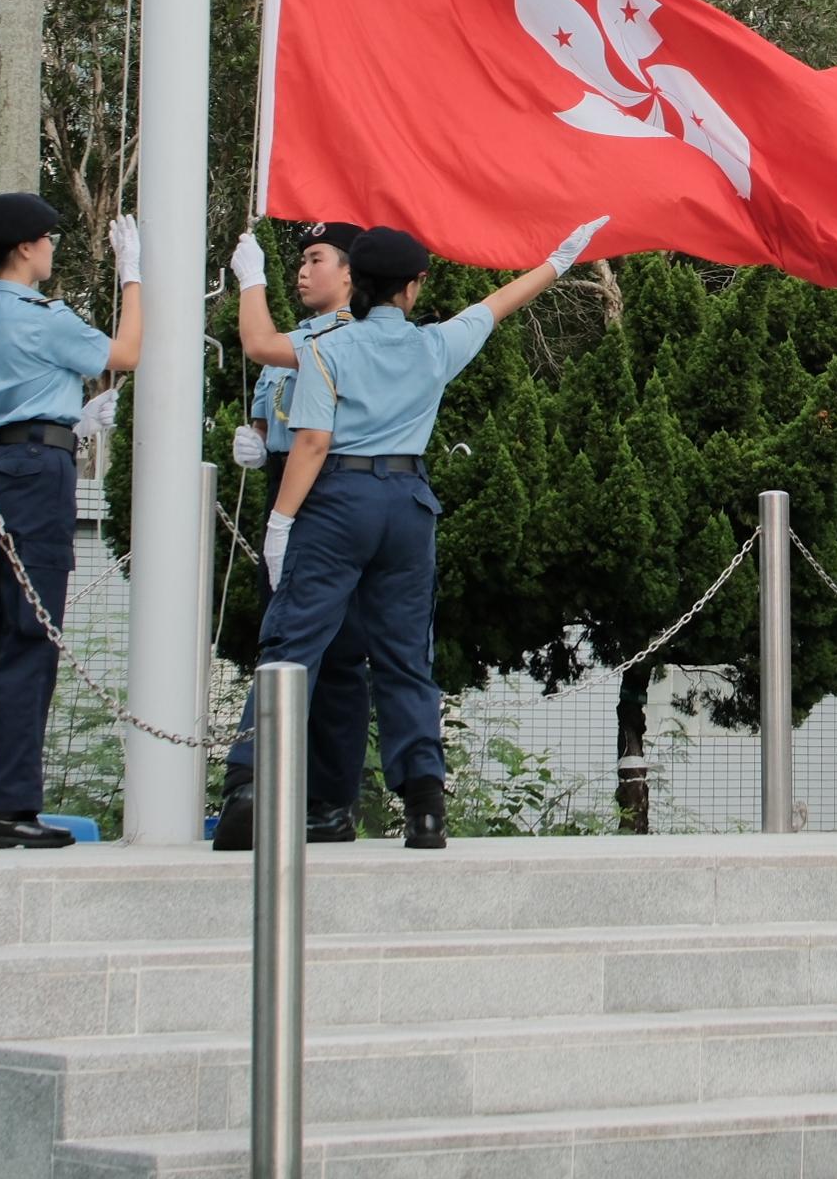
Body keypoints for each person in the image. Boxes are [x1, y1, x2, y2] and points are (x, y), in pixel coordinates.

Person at [217, 216, 605, 852]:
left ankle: (249, 788)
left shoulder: (325, 348)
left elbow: (311, 443)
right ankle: (425, 805)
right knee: (404, 656)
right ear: (413, 288)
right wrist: (558, 262)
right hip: (408, 503)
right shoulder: (434, 346)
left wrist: (280, 523)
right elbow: (496, 304)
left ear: (356, 281)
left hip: (337, 500)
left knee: (295, 641)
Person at [0, 192, 143, 850]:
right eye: (49, 239)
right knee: (31, 636)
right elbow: (126, 353)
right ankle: (8, 806)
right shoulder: (45, 317)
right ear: (27, 247)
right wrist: (133, 273)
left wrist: (72, 413)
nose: (54, 248)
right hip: (38, 475)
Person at [216, 221, 373, 849]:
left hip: (327, 492)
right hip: (287, 485)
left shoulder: (351, 338)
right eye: (299, 260)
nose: (302, 271)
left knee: (316, 650)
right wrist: (254, 439)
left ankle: (260, 787)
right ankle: (317, 802)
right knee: (320, 651)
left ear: (350, 274)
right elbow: (267, 409)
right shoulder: (302, 336)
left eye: (315, 259)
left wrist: (249, 280)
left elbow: (257, 345)